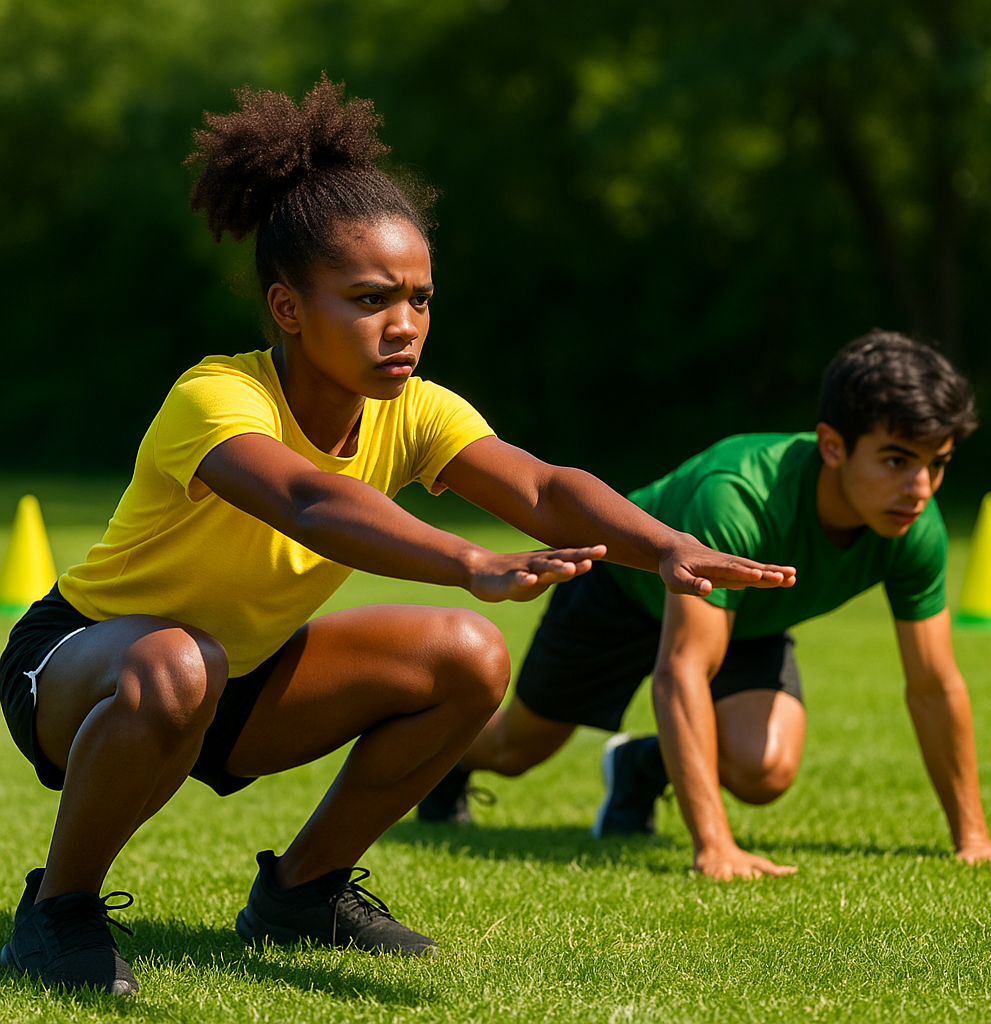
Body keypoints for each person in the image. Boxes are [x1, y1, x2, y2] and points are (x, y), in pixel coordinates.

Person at [0, 77, 794, 996]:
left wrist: (661, 544)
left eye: (419, 298)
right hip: (84, 666)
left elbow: (539, 486)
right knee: (180, 662)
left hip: (238, 677)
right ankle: (56, 913)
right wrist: (466, 558)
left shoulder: (413, 410)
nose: (405, 326)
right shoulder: (217, 396)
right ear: (289, 309)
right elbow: (308, 501)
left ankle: (302, 894)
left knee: (468, 656)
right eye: (371, 300)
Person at [420, 332, 991, 881]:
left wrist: (973, 838)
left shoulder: (915, 526)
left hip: (746, 616)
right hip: (623, 593)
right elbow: (681, 669)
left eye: (937, 464)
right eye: (897, 460)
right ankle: (439, 760)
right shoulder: (738, 497)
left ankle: (639, 768)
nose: (919, 488)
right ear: (833, 446)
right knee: (516, 750)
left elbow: (934, 685)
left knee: (765, 770)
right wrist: (715, 846)